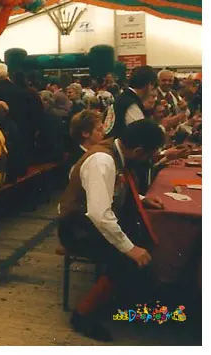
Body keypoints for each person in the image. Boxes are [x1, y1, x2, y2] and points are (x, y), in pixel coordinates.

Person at [58, 119, 166, 342]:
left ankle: (120, 298)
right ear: (139, 151)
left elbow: (110, 191)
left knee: (139, 241)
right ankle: (83, 314)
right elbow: (99, 215)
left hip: (87, 223)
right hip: (76, 229)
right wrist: (130, 249)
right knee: (127, 256)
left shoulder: (116, 152)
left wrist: (141, 199)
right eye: (149, 155)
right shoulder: (103, 161)